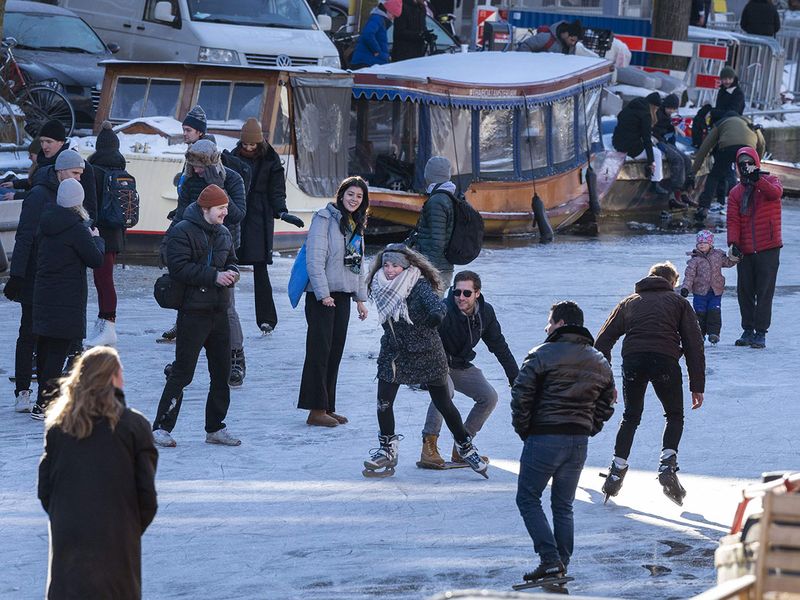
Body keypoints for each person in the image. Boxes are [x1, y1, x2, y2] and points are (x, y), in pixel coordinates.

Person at [37, 346, 157, 600]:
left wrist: (68, 518)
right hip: (117, 539)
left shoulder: (59, 427)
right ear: (112, 377)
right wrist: (126, 528)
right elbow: (147, 497)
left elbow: (45, 489)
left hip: (68, 537)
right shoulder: (134, 426)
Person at [363, 244, 488, 478]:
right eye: (387, 264)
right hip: (395, 352)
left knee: (443, 403)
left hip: (427, 353)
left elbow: (437, 306)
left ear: (406, 266)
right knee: (383, 402)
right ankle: (387, 448)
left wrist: (435, 317)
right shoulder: (379, 284)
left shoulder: (417, 285)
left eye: (395, 266)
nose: (389, 270)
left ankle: (465, 445)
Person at [512, 301, 615, 584]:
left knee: (528, 497)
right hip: (578, 442)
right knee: (563, 504)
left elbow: (521, 396)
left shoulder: (542, 354)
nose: (546, 327)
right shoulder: (598, 360)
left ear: (559, 323)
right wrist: (587, 427)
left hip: (544, 436)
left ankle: (549, 560)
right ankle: (561, 562)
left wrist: (527, 431)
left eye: (549, 321)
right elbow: (607, 403)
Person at [595, 262, 705, 506]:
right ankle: (667, 463)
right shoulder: (679, 303)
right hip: (665, 361)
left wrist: (606, 381)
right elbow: (693, 345)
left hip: (633, 360)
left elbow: (602, 341)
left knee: (631, 416)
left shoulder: (629, 302)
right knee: (674, 414)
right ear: (672, 282)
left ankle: (617, 469)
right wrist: (697, 385)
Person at [152, 185, 242, 447]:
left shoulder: (224, 233)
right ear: (206, 209)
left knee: (221, 372)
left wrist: (232, 272)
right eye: (221, 208)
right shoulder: (182, 231)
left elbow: (232, 261)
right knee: (183, 372)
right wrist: (214, 276)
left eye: (226, 207)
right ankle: (161, 427)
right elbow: (178, 267)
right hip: (193, 313)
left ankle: (215, 427)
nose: (226, 212)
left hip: (219, 312)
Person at [4, 150, 93, 414]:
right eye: (75, 173)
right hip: (35, 274)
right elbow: (25, 237)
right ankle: (23, 391)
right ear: (61, 171)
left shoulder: (67, 195)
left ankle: (48, 394)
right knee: (29, 333)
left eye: (80, 175)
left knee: (50, 337)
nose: (78, 179)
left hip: (54, 277)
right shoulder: (40, 195)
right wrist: (17, 275)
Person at [419, 270, 519, 467]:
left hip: (460, 364)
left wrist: (515, 379)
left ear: (477, 294)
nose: (461, 297)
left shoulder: (485, 313)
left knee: (489, 397)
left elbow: (500, 346)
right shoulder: (443, 310)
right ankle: (428, 446)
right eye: (457, 292)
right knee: (445, 392)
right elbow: (423, 339)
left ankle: (462, 446)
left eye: (467, 293)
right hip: (436, 364)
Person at [172, 139, 247, 386]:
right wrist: (169, 242)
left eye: (200, 166)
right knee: (188, 302)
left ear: (212, 163)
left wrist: (215, 184)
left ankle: (236, 357)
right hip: (193, 246)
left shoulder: (232, 179)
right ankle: (183, 360)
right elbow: (182, 212)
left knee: (227, 306)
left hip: (224, 249)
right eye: (192, 166)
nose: (196, 171)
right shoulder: (191, 180)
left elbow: (237, 214)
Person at [298, 177, 370, 427]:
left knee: (335, 352)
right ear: (341, 195)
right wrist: (322, 293)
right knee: (319, 352)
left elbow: (358, 265)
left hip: (343, 296)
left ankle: (327, 406)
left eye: (359, 197)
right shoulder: (324, 218)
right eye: (350, 194)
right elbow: (314, 259)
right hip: (322, 296)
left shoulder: (356, 224)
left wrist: (360, 299)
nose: (354, 200)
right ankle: (315, 409)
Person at [31, 178, 105, 419]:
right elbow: (95, 259)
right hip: (67, 297)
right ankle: (45, 404)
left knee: (45, 348)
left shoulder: (45, 224)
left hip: (44, 294)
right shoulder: (76, 229)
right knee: (58, 351)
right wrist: (96, 238)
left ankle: (42, 399)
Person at [231, 118, 304, 335]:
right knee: (226, 265)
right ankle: (220, 314)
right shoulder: (232, 158)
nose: (249, 148)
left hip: (259, 219)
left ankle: (267, 319)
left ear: (260, 142)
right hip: (235, 217)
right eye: (245, 144)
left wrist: (281, 211)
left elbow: (277, 191)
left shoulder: (271, 161)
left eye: (252, 145)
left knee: (260, 271)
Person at [160, 105, 209, 343]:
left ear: (200, 132)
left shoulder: (204, 156)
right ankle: (181, 323)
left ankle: (191, 326)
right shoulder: (190, 154)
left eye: (188, 130)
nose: (185, 133)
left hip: (195, 224)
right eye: (184, 129)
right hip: (184, 216)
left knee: (191, 275)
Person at [727, 147, 783, 349]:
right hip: (746, 250)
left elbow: (775, 194)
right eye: (741, 164)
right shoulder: (735, 192)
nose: (745, 167)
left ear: (756, 163)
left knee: (765, 292)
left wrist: (757, 178)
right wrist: (733, 243)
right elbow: (733, 220)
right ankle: (748, 329)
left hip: (769, 247)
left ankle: (761, 332)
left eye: (749, 162)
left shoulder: (771, 182)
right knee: (745, 292)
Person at [84, 121, 128, 348]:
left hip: (101, 232)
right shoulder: (122, 170)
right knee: (104, 279)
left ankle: (108, 324)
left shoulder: (94, 171)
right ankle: (103, 322)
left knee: (103, 280)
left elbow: (90, 204)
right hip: (118, 234)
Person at [690, 111, 766, 221]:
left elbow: (704, 148)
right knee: (749, 179)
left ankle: (704, 209)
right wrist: (756, 164)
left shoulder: (721, 123)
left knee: (714, 177)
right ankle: (748, 209)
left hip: (727, 149)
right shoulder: (748, 122)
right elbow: (762, 144)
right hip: (748, 151)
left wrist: (693, 172)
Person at [680, 230, 738, 344]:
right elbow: (689, 276)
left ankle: (714, 334)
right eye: (699, 243)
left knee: (714, 311)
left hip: (715, 291)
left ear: (710, 244)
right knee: (700, 313)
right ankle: (699, 335)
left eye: (705, 242)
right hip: (699, 292)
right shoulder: (695, 260)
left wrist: (735, 257)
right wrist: (686, 288)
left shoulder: (718, 256)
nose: (702, 244)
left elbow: (728, 262)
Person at [405, 156, 455, 288]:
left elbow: (437, 241)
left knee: (431, 307)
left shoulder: (437, 201)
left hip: (436, 269)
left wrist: (427, 269)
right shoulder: (448, 196)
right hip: (442, 266)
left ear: (429, 175)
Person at [612, 92, 670, 195]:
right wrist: (651, 162)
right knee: (657, 153)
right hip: (630, 148)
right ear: (653, 107)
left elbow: (620, 119)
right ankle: (655, 183)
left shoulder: (630, 107)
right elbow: (646, 139)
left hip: (617, 142)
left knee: (648, 148)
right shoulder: (646, 115)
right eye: (656, 109)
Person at [652, 94, 695, 208]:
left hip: (664, 140)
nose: (671, 111)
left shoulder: (668, 116)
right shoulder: (657, 114)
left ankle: (685, 192)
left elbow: (667, 126)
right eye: (669, 108)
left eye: (673, 109)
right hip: (657, 140)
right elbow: (657, 129)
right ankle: (674, 195)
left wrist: (674, 128)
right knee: (677, 159)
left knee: (687, 160)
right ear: (664, 106)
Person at [350, 0, 402, 68]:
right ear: (388, 10)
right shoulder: (377, 18)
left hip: (367, 60)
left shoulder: (379, 19)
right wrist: (376, 51)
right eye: (393, 15)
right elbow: (367, 34)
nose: (393, 18)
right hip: (367, 62)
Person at [516, 20, 584, 55]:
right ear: (565, 34)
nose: (573, 43)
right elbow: (525, 45)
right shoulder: (546, 38)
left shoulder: (571, 47)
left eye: (575, 41)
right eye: (572, 40)